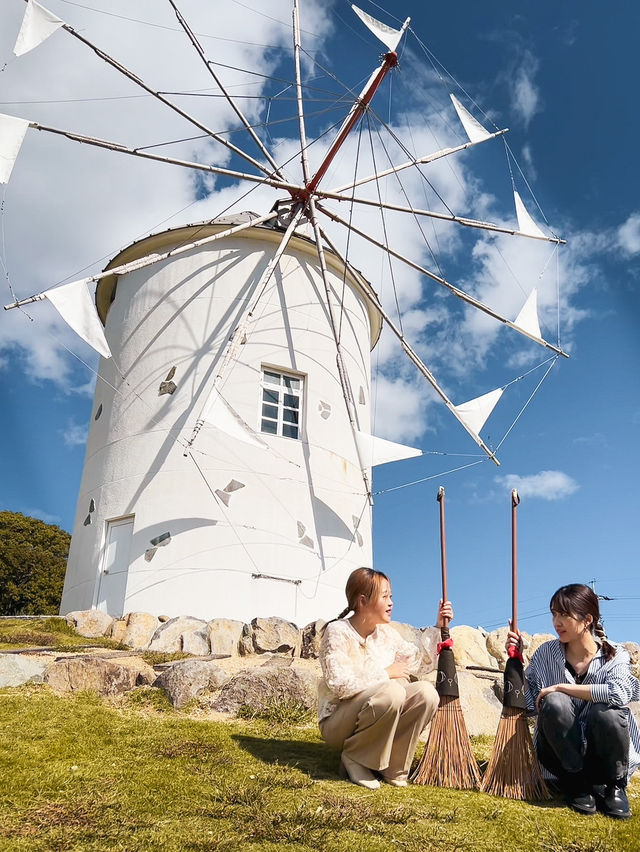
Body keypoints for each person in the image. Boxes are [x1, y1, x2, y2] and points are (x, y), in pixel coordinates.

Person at [506, 583, 640, 819]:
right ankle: (576, 783)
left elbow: (619, 693)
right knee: (555, 701)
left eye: (564, 615)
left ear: (587, 619)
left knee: (607, 712)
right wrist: (516, 663)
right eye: (554, 614)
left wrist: (562, 686)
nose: (556, 622)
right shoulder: (545, 654)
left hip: (605, 757)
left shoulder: (616, 655)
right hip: (561, 760)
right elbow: (529, 705)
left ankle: (614, 787)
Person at [318, 566, 451, 790]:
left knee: (426, 694)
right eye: (385, 596)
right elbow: (339, 684)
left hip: (372, 709)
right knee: (392, 690)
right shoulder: (337, 631)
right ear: (362, 601)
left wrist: (438, 627)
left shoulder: (387, 634)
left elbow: (420, 661)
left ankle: (392, 765)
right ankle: (355, 757)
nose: (391, 603)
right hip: (338, 721)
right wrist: (385, 673)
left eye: (391, 596)